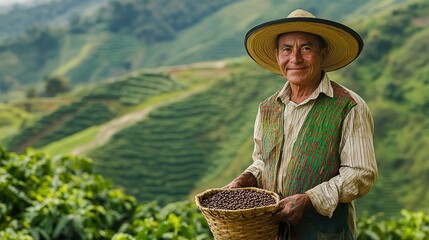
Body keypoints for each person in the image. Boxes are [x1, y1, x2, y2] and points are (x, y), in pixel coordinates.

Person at [224, 9, 378, 239]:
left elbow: (361, 173)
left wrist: (310, 199)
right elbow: (262, 160)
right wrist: (247, 177)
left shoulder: (349, 106)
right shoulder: (267, 108)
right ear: (277, 55)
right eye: (287, 49)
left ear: (322, 54)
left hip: (324, 233)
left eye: (306, 48)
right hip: (272, 232)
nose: (295, 59)